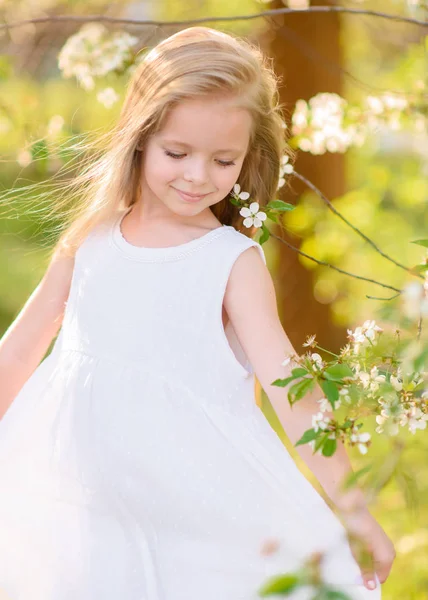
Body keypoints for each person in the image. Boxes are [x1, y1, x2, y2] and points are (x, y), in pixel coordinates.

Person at [0, 26, 394, 600]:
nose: (196, 176)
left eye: (223, 160)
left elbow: (290, 390)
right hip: (79, 501)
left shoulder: (230, 261)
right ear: (140, 136)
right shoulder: (94, 236)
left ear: (249, 157)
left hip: (189, 507)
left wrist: (356, 513)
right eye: (177, 153)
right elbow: (21, 346)